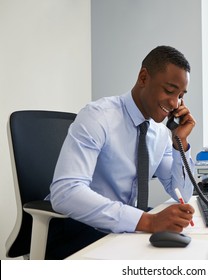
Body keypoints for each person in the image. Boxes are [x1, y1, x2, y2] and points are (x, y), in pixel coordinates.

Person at [46, 46, 196, 258]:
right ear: (143, 77)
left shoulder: (160, 132)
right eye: (170, 91)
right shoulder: (98, 117)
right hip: (78, 228)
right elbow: (65, 193)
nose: (174, 103)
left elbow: (181, 192)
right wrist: (148, 221)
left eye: (181, 96)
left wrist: (180, 142)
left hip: (122, 229)